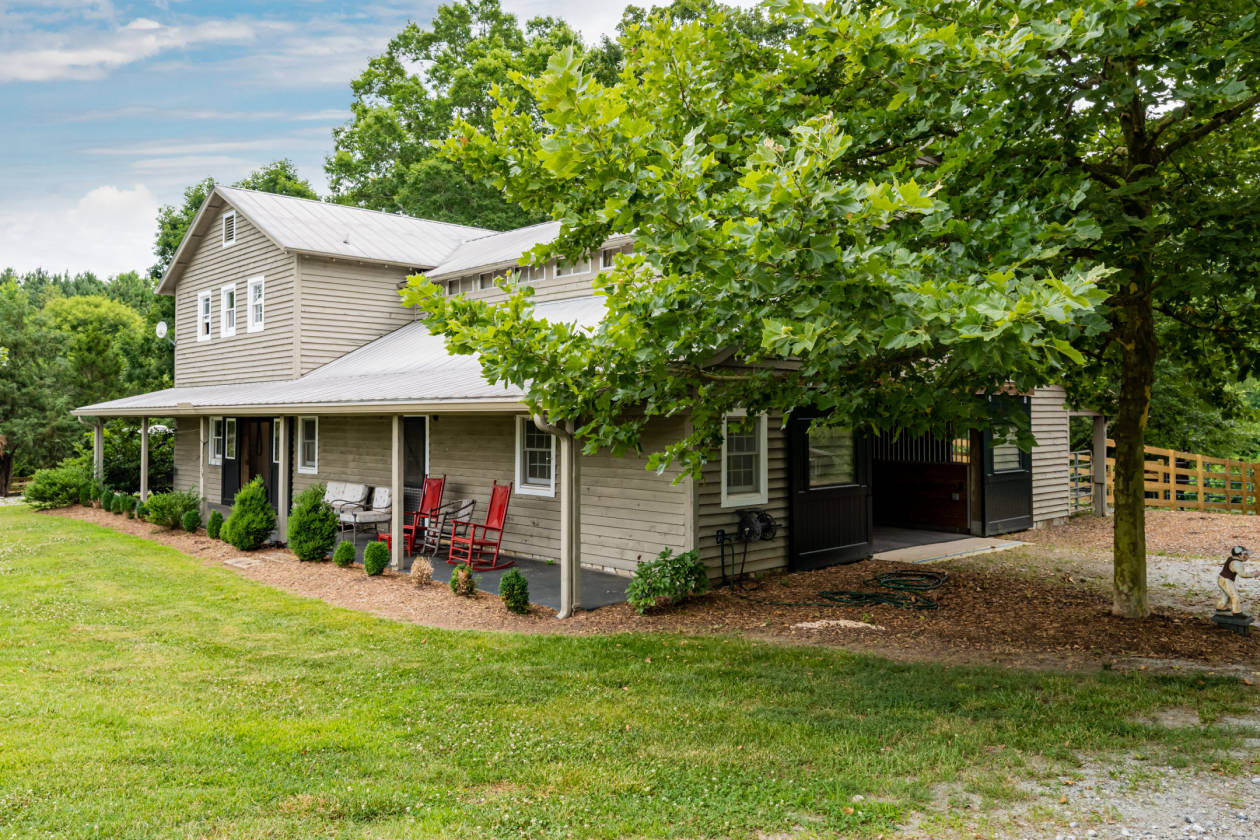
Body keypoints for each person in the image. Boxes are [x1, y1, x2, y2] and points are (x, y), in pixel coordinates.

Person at [1217, 545, 1258, 615]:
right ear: (1239, 555)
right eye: (1244, 554)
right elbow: (1242, 574)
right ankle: (1237, 612)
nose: (1246, 556)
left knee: (1226, 595)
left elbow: (1226, 562)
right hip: (1226, 580)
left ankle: (1220, 607)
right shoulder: (1237, 563)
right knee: (1235, 596)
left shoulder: (1231, 558)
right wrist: (1253, 574)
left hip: (1221, 578)